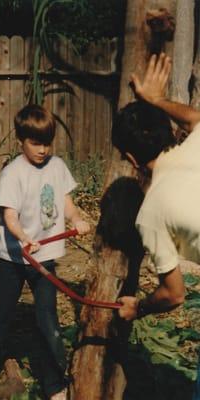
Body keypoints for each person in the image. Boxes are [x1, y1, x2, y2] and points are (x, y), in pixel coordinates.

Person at [0, 104, 90, 400]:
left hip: (44, 259)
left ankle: (54, 386)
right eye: (35, 143)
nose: (43, 149)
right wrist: (23, 238)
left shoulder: (56, 167)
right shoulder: (13, 173)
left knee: (48, 320)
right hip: (14, 259)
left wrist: (77, 218)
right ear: (21, 140)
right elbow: (9, 216)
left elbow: (66, 200)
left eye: (47, 143)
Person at [112, 53, 200, 399]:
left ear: (132, 160)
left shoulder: (151, 213)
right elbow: (195, 116)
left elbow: (174, 294)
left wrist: (139, 307)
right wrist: (156, 99)